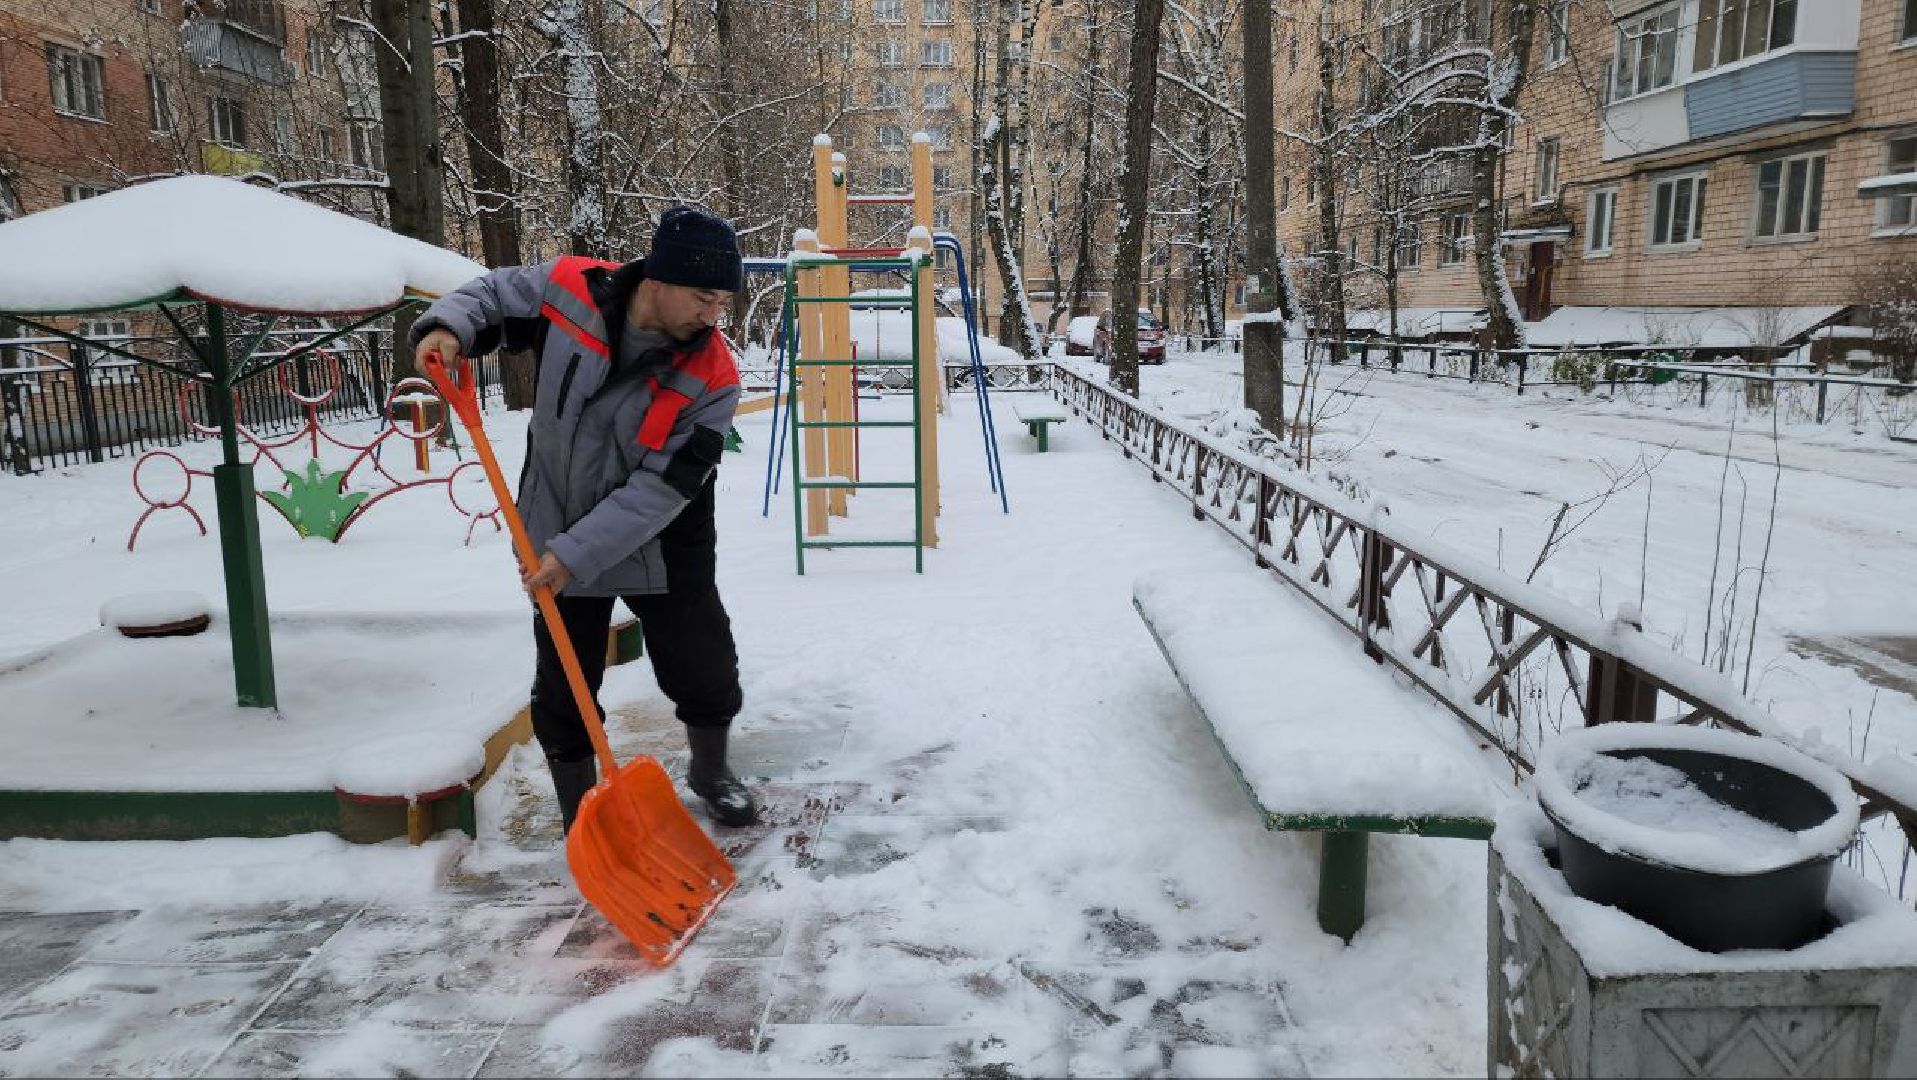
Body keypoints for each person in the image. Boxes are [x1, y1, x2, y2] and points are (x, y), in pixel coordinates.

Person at [411, 206, 757, 831]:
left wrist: (576, 553)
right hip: (554, 516)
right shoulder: (571, 290)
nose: (714, 316)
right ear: (658, 278)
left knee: (701, 661)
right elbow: (492, 296)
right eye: (704, 297)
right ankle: (584, 817)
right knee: (564, 684)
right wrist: (449, 328)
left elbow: (661, 488)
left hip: (663, 538)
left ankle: (711, 770)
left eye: (721, 303)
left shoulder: (714, 377)